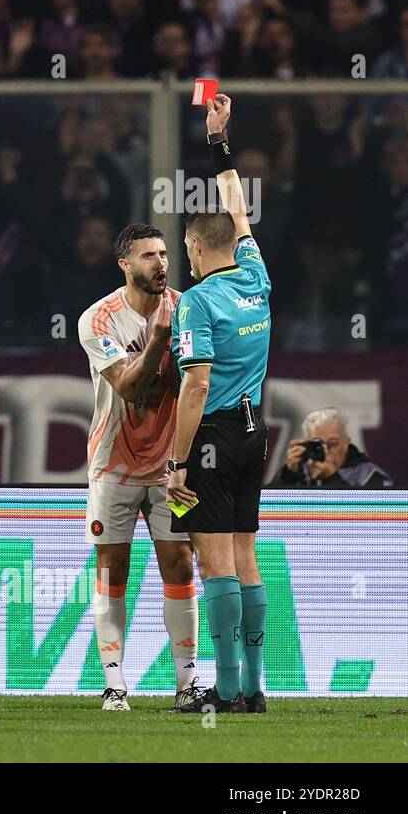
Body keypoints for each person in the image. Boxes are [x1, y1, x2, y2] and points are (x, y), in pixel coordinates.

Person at [167, 93, 272, 714]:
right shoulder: (256, 274)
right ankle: (255, 688)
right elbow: (238, 207)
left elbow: (196, 385)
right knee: (245, 553)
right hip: (255, 432)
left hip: (210, 435)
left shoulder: (197, 301)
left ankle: (228, 689)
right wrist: (218, 143)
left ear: (196, 250)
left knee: (214, 564)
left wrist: (179, 463)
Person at [77, 223, 199, 712]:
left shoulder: (187, 306)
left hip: (171, 467)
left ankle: (187, 683)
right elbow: (127, 387)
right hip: (113, 464)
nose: (161, 263)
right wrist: (159, 342)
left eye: (165, 254)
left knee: (179, 563)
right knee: (112, 568)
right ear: (124, 264)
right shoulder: (98, 319)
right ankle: (114, 684)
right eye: (148, 256)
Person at [272, 408, 393, 488]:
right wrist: (288, 475)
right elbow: (265, 512)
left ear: (347, 443)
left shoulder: (370, 475)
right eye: (318, 444)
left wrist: (331, 478)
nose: (326, 450)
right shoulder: (300, 471)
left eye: (333, 443)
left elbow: (371, 521)